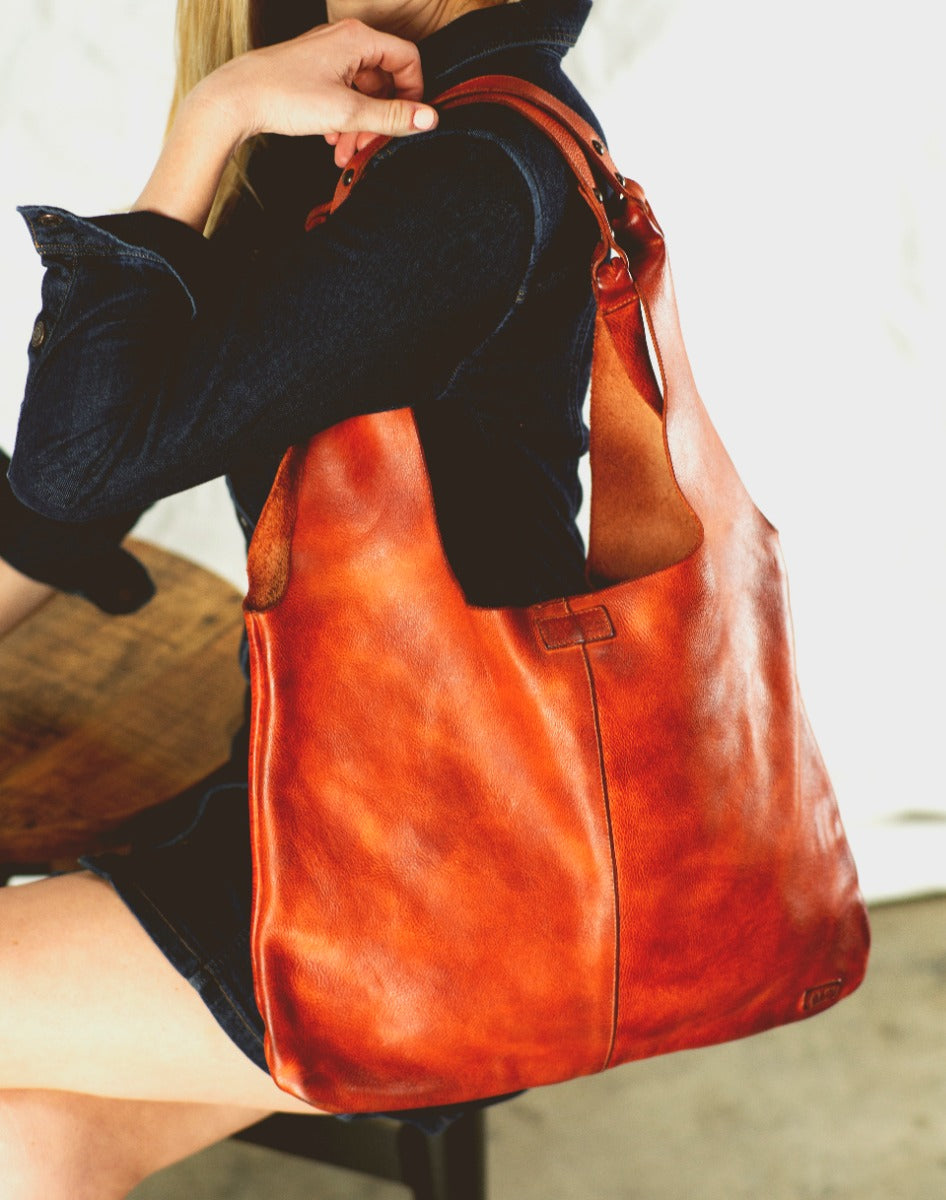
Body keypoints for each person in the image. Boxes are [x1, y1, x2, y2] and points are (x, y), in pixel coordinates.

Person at [0, 0, 609, 1194]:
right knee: (28, 1150)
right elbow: (76, 488)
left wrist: (209, 122)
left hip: (441, 893)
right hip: (338, 819)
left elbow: (88, 458)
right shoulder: (376, 137)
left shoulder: (469, 175)